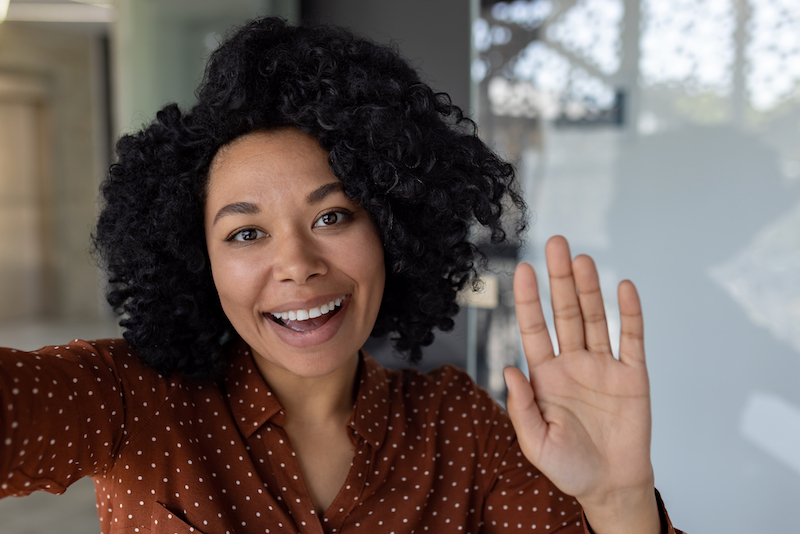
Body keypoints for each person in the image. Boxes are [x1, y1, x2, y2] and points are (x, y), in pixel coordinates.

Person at [0, 16, 681, 534]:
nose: (297, 264)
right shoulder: (128, 402)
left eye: (332, 218)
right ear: (194, 260)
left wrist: (617, 501)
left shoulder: (462, 432)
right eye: (245, 233)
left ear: (391, 229)